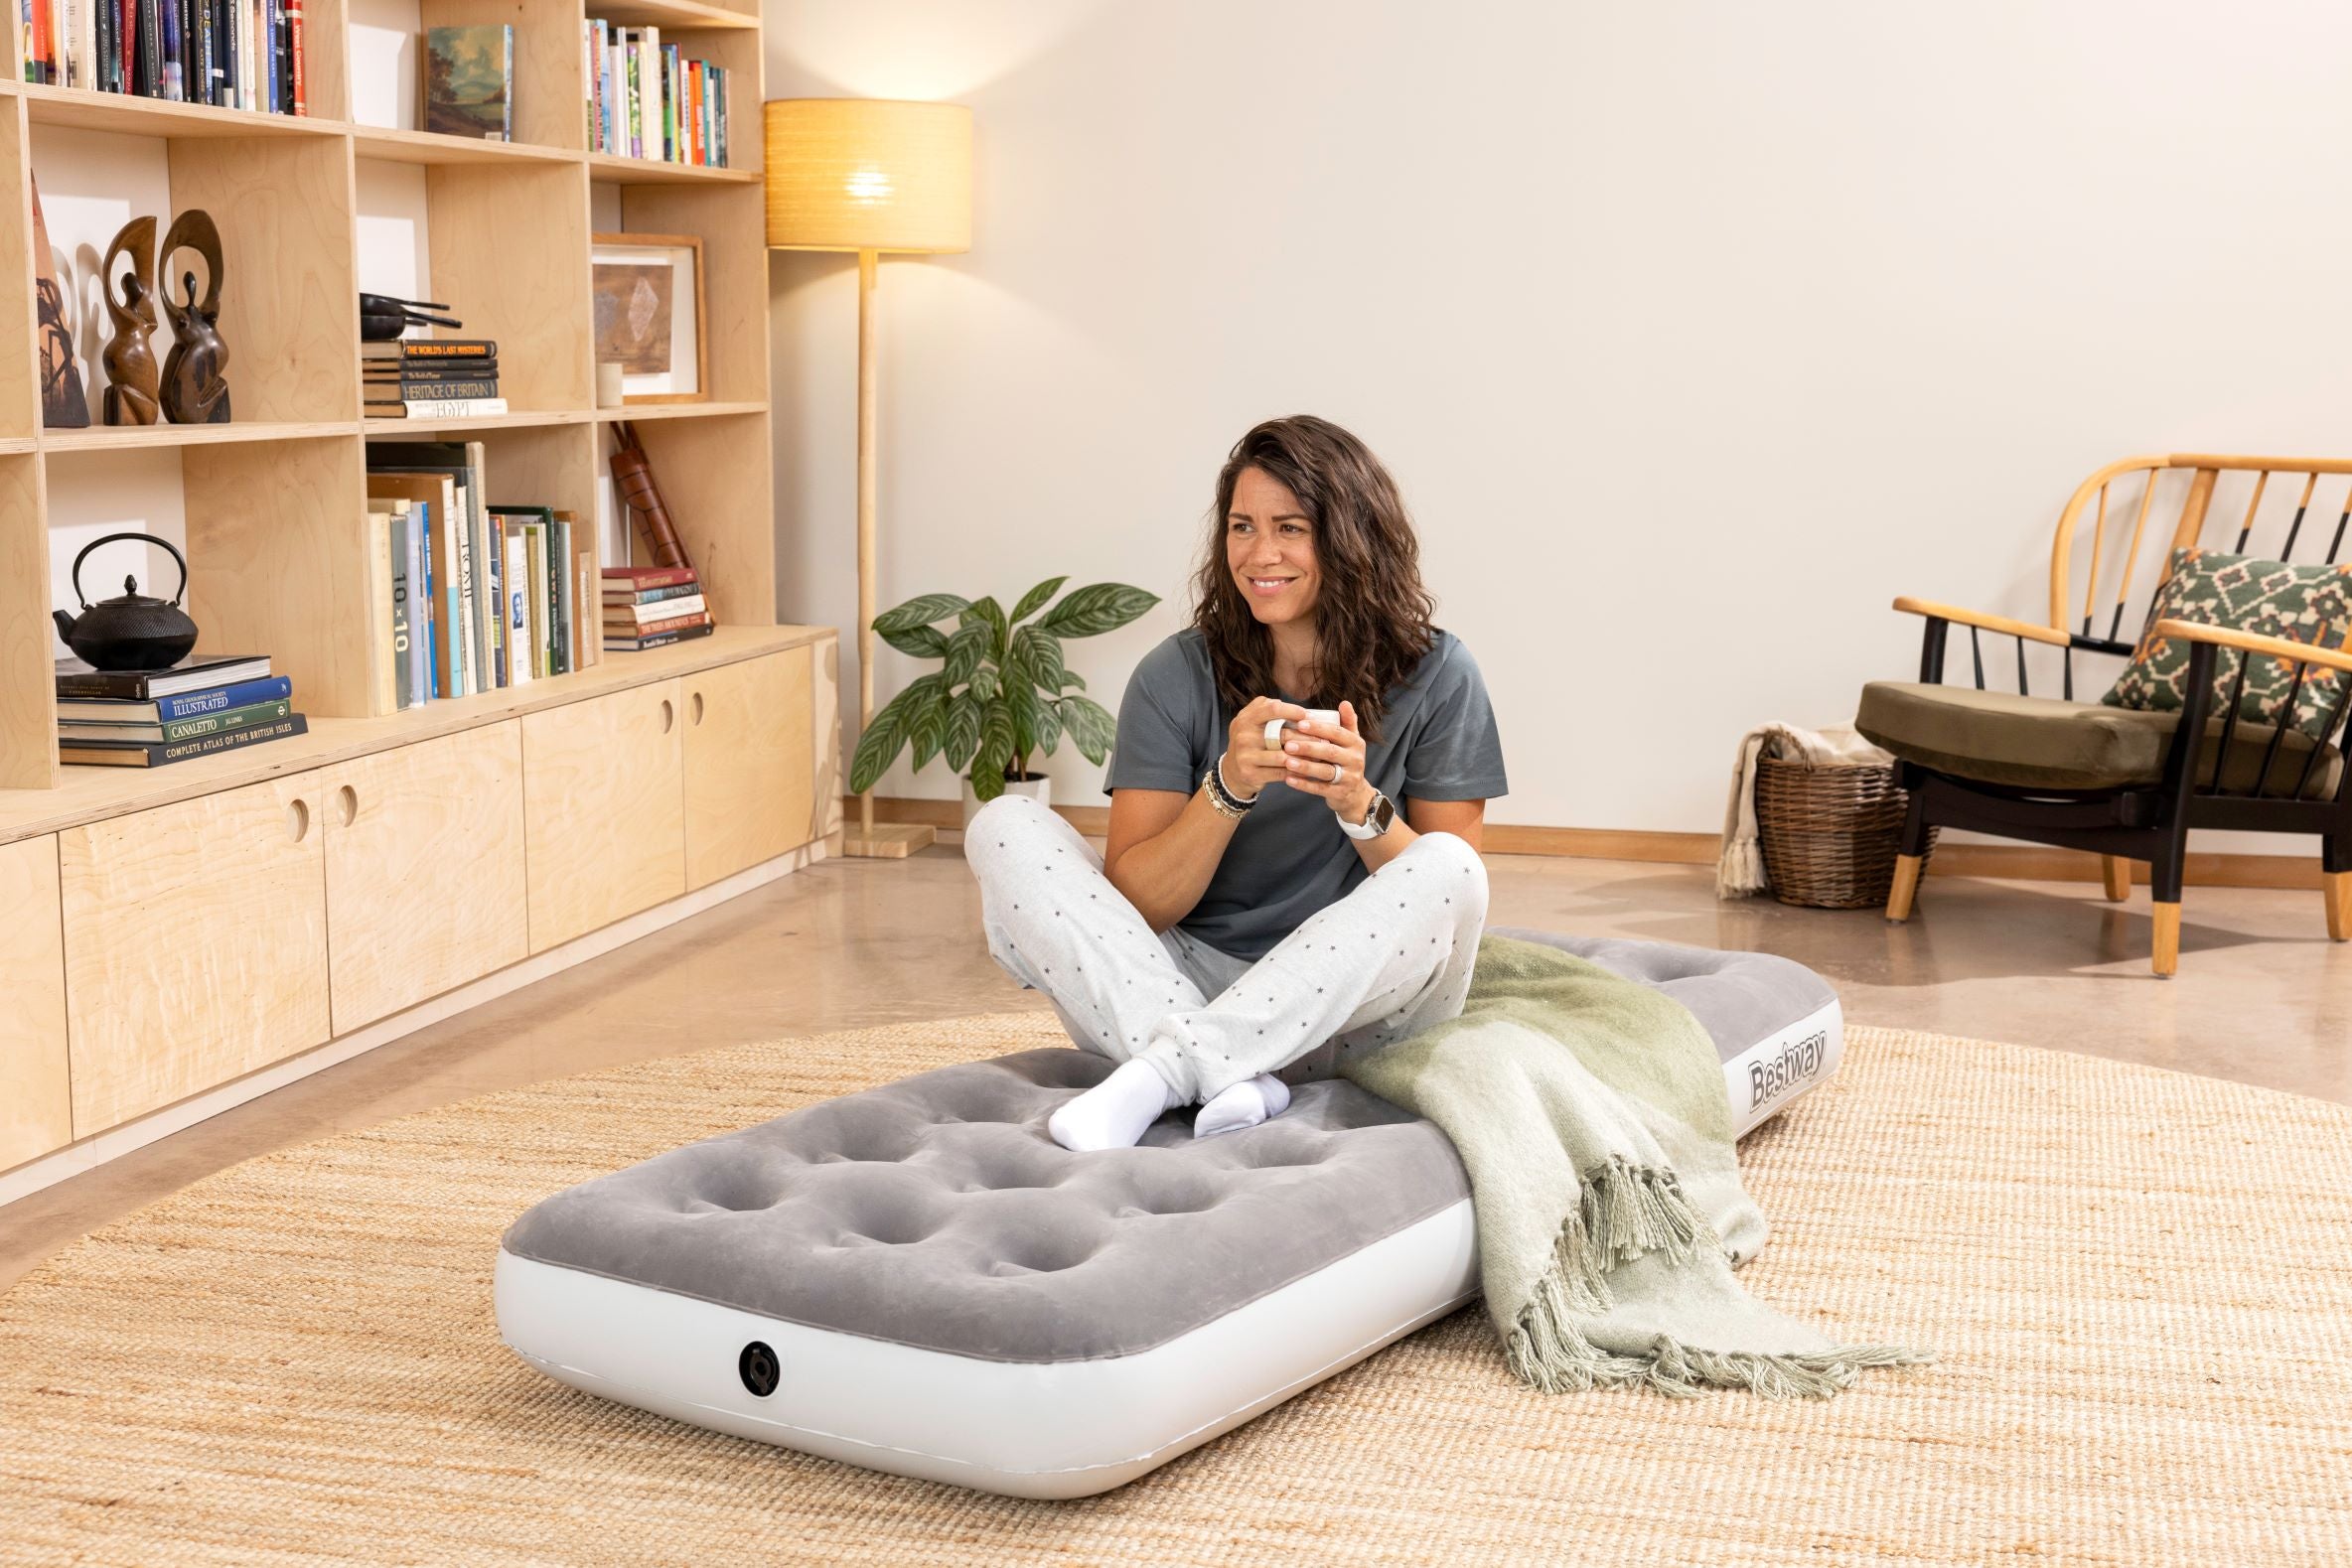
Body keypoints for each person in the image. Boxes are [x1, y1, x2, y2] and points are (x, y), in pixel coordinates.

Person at [965, 415, 1508, 1151]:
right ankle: (1226, 1073)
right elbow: (1138, 905)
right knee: (1003, 823)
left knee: (1451, 867)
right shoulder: (1175, 674)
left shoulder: (1442, 674)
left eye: (1290, 527)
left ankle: (1166, 1070)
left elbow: (1449, 898)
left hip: (1348, 1016)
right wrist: (1224, 787)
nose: (1260, 554)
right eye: (1242, 526)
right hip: (1176, 985)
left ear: (1351, 538)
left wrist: (1359, 805)